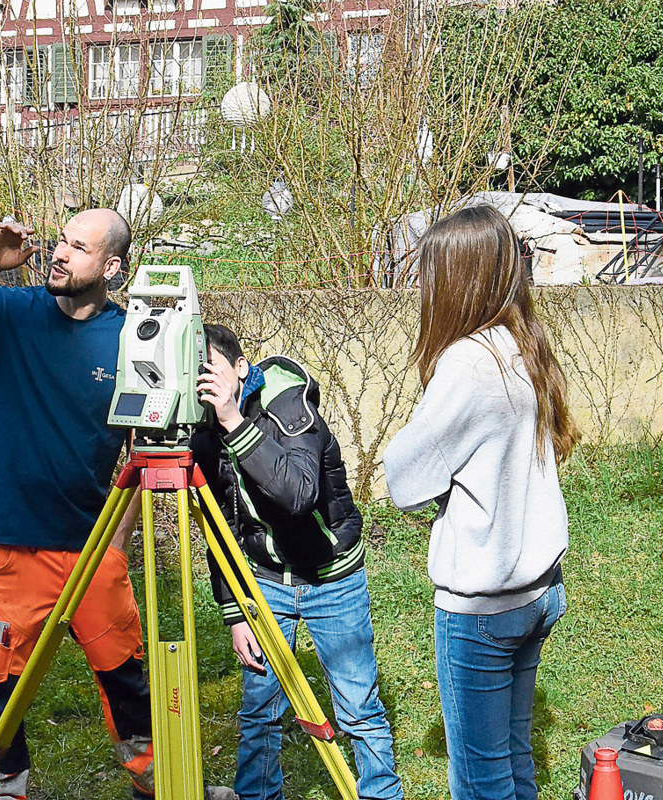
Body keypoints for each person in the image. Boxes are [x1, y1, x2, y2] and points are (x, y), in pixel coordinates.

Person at [0, 210, 155, 800]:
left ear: (111, 267)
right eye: (60, 240)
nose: (60, 253)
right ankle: (2, 790)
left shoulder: (129, 338)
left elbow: (146, 453)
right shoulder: (11, 312)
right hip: (6, 543)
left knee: (128, 678)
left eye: (79, 247)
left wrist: (116, 545)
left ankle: (157, 779)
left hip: (91, 551)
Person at [382, 204, 580, 800]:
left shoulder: (469, 364)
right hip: (539, 592)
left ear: (457, 280)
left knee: (481, 782)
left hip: (484, 611)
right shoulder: (523, 345)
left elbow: (403, 479)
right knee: (515, 763)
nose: (422, 288)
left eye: (429, 274)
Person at [192, 324, 403, 800]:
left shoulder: (288, 404)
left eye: (210, 365)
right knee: (259, 710)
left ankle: (380, 793)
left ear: (240, 369)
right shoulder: (202, 430)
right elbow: (217, 522)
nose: (203, 378)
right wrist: (233, 611)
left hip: (332, 578)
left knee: (357, 708)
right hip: (264, 581)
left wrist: (232, 421)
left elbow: (298, 494)